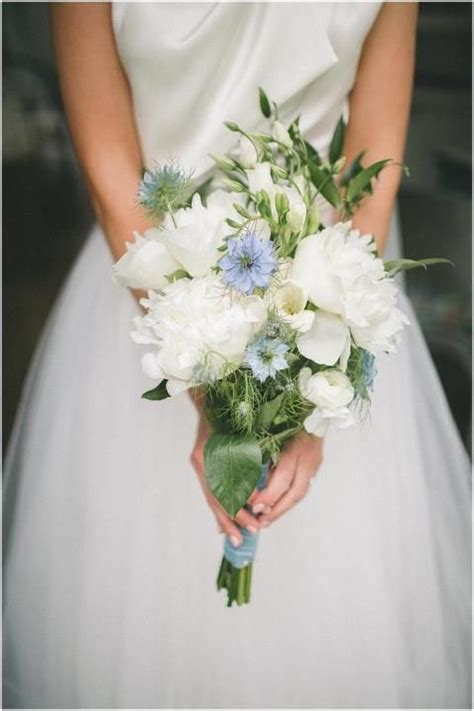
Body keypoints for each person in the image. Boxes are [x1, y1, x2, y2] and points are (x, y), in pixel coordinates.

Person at [3, 2, 471, 708]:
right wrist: (209, 383)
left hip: (324, 295)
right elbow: (111, 173)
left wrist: (318, 388)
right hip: (147, 299)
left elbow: (371, 164)